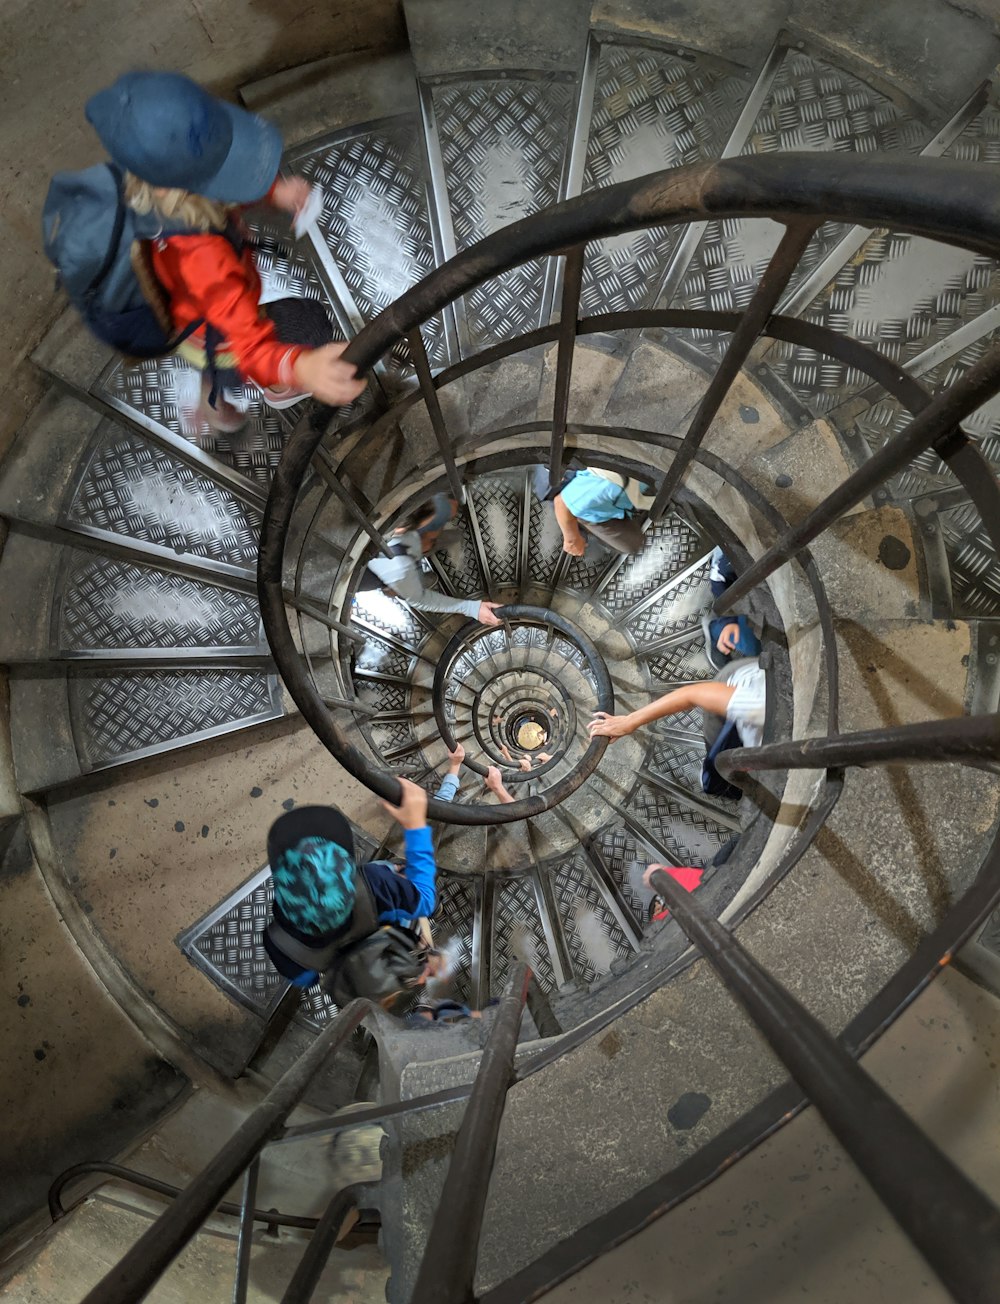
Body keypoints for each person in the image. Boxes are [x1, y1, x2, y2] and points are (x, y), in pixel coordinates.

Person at [84, 71, 365, 430]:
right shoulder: (205, 260)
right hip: (220, 339)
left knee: (209, 364)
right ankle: (245, 402)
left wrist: (271, 193)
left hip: (196, 325)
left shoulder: (154, 196)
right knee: (269, 345)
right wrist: (300, 368)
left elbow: (220, 184)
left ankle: (210, 400)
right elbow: (248, 345)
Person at [261, 778, 446, 1004]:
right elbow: (427, 900)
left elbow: (307, 980)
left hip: (353, 980)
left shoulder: (278, 943)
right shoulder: (378, 884)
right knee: (393, 875)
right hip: (390, 937)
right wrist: (416, 826)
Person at [588, 658, 766, 798]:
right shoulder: (758, 706)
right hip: (735, 688)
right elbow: (691, 695)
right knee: (718, 763)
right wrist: (630, 721)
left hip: (750, 710)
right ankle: (714, 781)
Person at [363, 495, 502, 624]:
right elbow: (419, 599)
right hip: (386, 573)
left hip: (400, 552)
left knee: (453, 531)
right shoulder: (399, 566)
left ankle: (412, 580)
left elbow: (449, 506)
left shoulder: (396, 512)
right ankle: (396, 588)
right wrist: (471, 608)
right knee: (410, 585)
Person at [552, 466, 655, 557]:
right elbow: (562, 504)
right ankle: (581, 521)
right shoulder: (603, 485)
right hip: (596, 505)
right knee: (632, 544)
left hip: (624, 493)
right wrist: (572, 539)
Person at [703, 547, 761, 672]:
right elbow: (719, 588)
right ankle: (716, 630)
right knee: (752, 647)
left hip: (752, 595)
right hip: (738, 600)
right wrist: (728, 623)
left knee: (754, 647)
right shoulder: (723, 566)